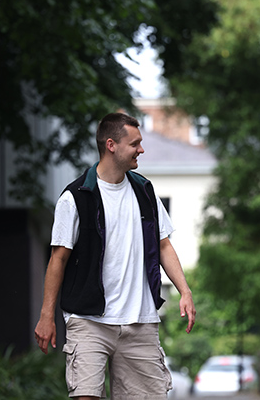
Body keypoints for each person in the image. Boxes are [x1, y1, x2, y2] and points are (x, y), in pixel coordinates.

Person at [34, 112, 196, 400]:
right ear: (111, 145)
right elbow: (57, 259)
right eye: (135, 144)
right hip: (88, 320)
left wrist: (184, 289)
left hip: (140, 320)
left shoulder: (144, 191)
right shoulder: (76, 197)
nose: (141, 150)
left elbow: (164, 245)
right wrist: (47, 316)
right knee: (85, 395)